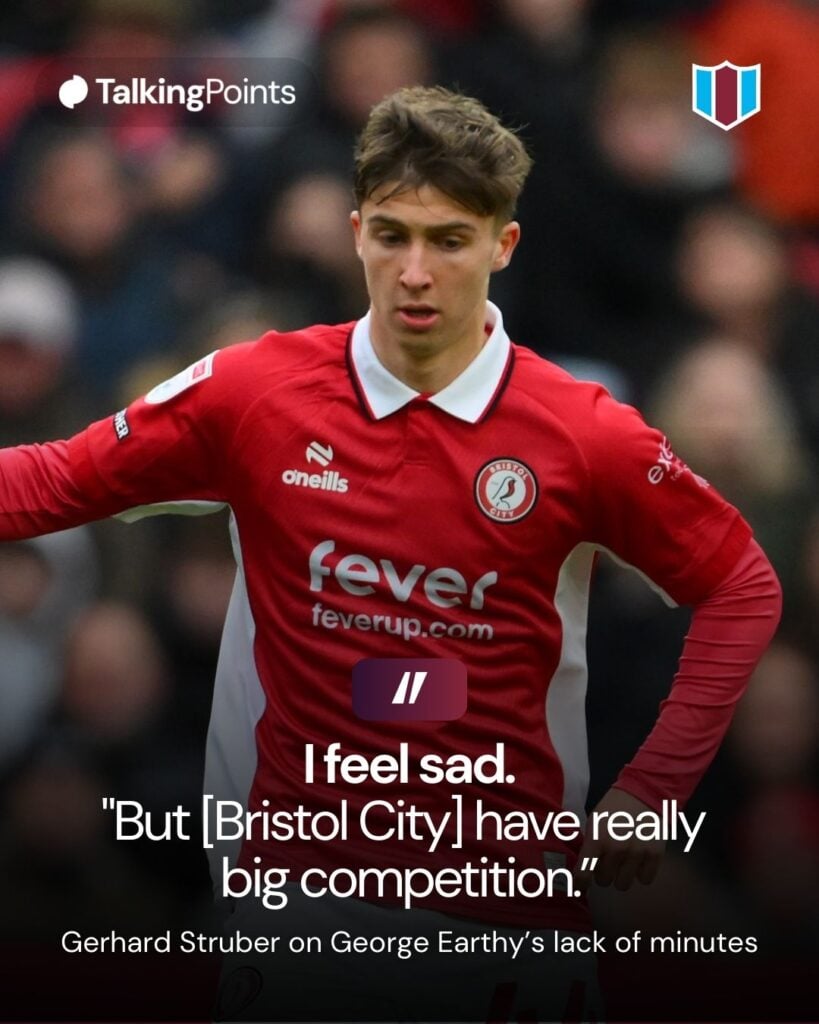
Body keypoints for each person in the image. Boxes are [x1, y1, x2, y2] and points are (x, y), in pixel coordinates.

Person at [0, 86, 781, 1022]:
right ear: (355, 231)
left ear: (502, 246)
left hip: (505, 924)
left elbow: (740, 583)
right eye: (393, 236)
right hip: (300, 912)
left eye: (449, 241)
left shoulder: (583, 434)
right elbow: (46, 482)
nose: (415, 272)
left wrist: (653, 787)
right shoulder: (256, 391)